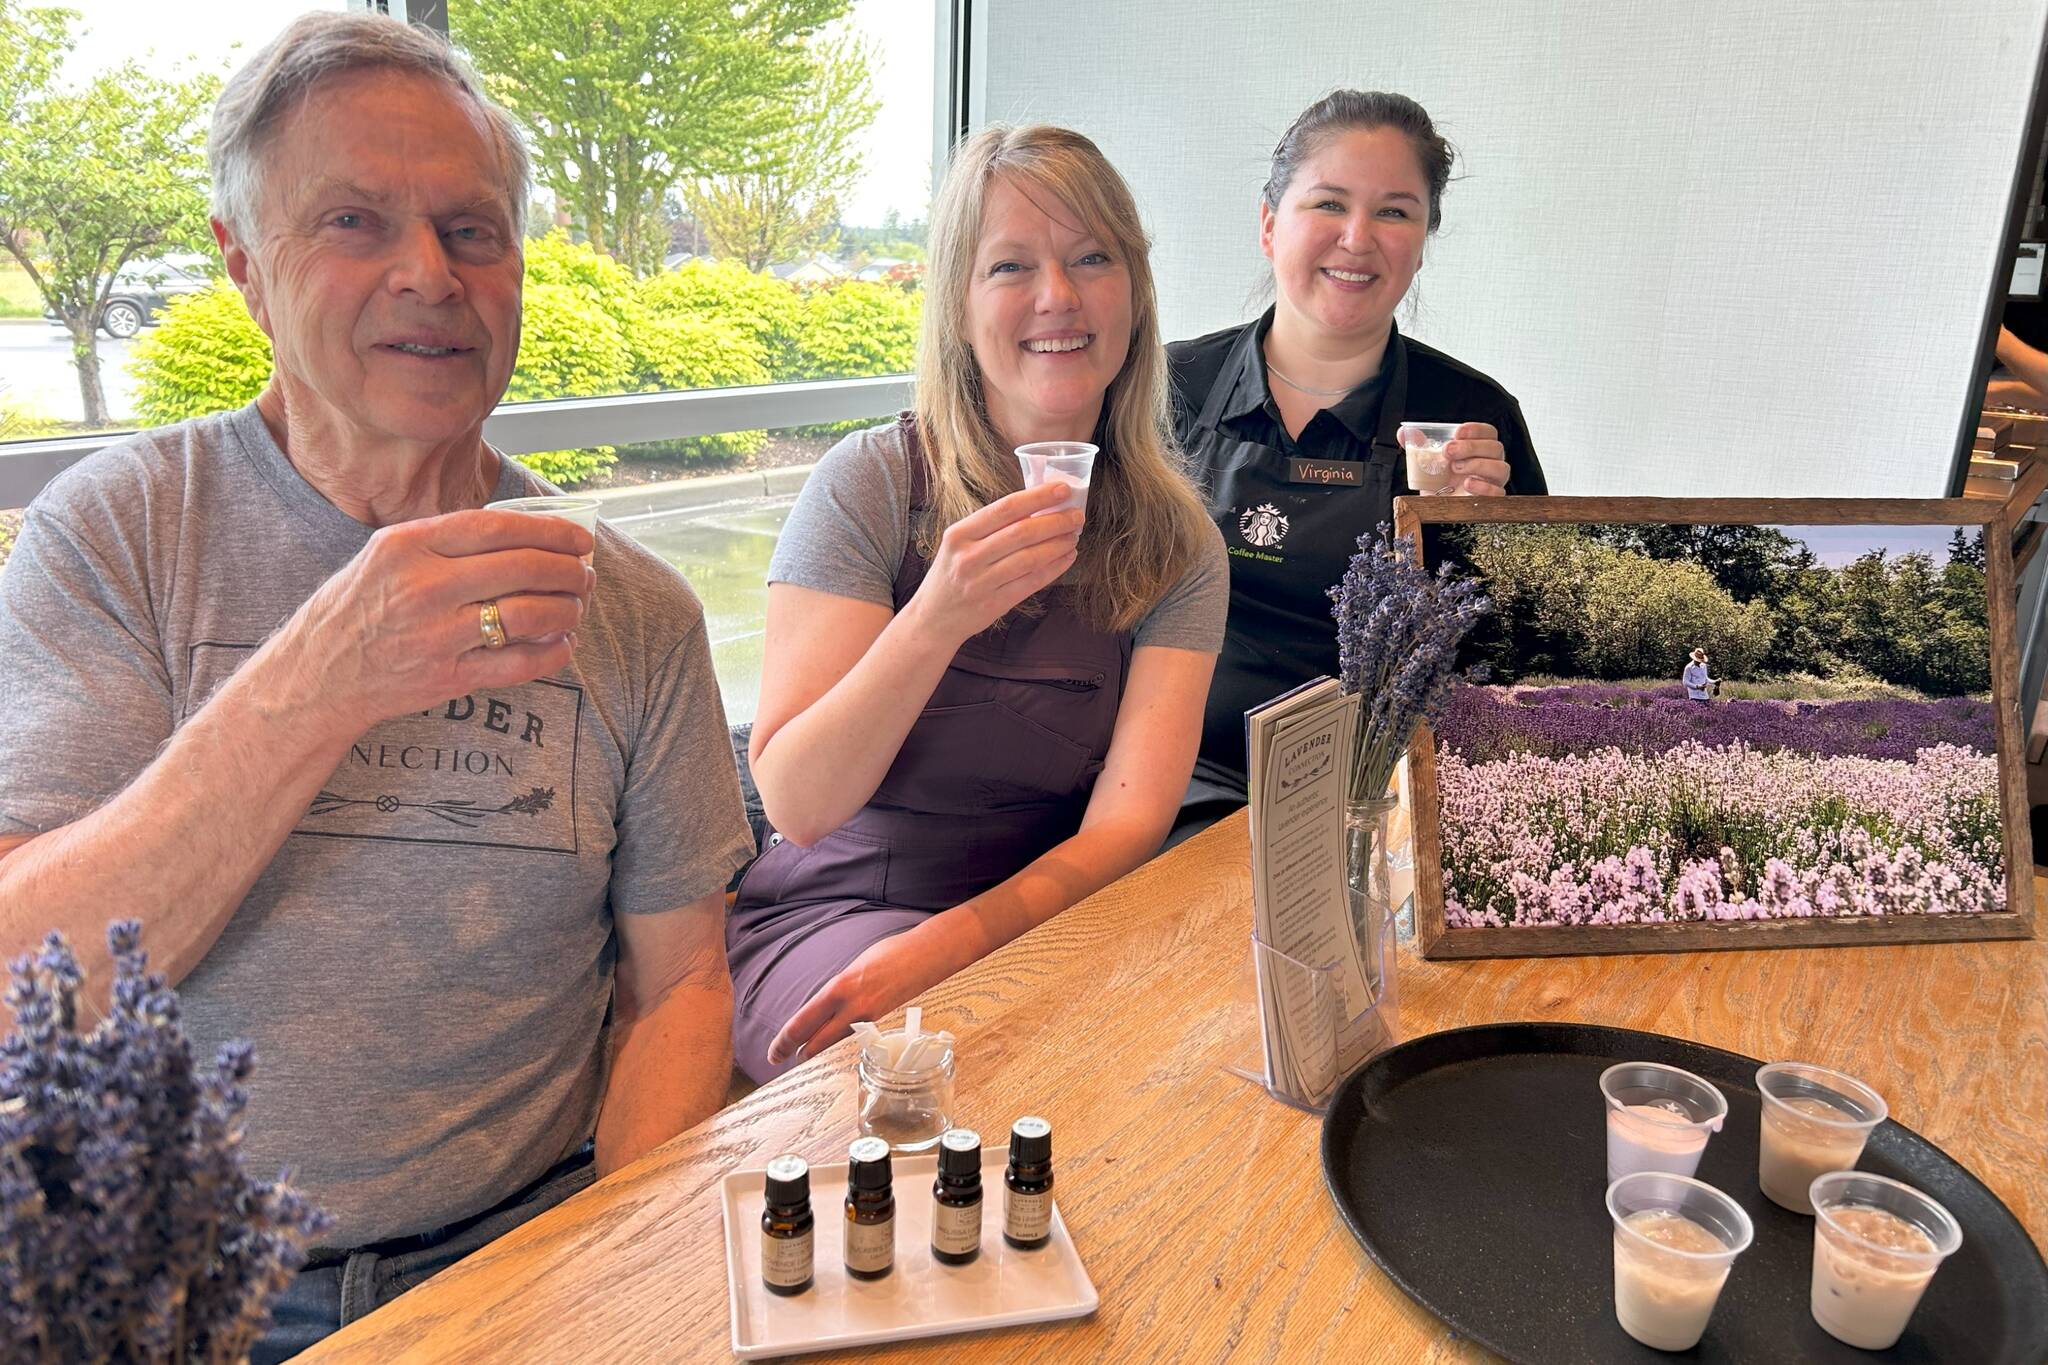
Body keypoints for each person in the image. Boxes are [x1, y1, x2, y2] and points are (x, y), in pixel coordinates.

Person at [0, 15, 753, 1358]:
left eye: (473, 231)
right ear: (244, 265)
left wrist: (625, 1263)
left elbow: (682, 983)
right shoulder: (120, 535)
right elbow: (28, 993)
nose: (429, 275)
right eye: (353, 221)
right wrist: (323, 676)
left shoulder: (634, 608)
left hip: (522, 1253)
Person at [728, 124, 1228, 1082]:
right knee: (929, 1077)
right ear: (958, 305)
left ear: (1135, 295)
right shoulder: (873, 486)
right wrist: (936, 617)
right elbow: (799, 801)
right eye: (1011, 266)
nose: (1058, 296)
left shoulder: (1179, 545)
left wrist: (960, 940)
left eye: (1093, 258)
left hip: (1043, 911)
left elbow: (1124, 828)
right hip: (836, 912)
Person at [1167, 91, 1549, 837]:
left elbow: (1520, 663)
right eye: (1329, 203)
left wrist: (1484, 535)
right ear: (1269, 223)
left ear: (1423, 241)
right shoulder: (1170, 388)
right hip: (1172, 782)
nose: (1357, 237)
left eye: (1394, 212)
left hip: (1381, 804)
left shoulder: (1474, 418)